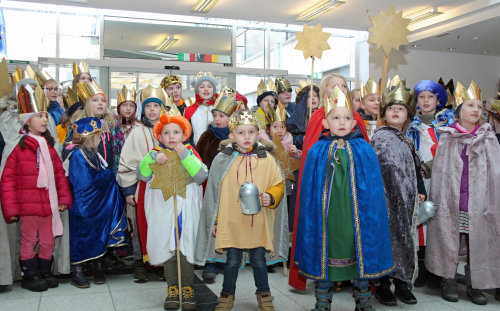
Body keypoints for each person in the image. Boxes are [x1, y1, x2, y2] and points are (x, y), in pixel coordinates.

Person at [294, 86, 394, 311]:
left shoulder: (364, 149)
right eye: (336, 118)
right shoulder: (317, 150)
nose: (342, 122)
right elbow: (310, 192)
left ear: (355, 122)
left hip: (356, 214)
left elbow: (373, 189)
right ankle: (322, 301)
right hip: (327, 217)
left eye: (347, 118)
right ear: (325, 123)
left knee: (360, 250)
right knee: (325, 253)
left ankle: (363, 300)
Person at [195, 110, 289, 311]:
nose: (246, 137)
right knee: (232, 261)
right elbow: (216, 194)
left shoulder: (267, 159)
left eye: (251, 132)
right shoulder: (222, 160)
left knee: (258, 260)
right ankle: (226, 297)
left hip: (258, 221)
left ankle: (264, 296)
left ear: (258, 133)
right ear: (231, 136)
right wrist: (217, 220)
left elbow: (278, 184)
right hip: (231, 222)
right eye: (241, 132)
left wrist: (271, 196)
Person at [289, 74, 368, 290]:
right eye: (334, 86)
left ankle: (355, 277)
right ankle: (323, 276)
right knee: (326, 234)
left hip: (351, 193)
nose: (340, 89)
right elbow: (311, 161)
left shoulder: (356, 118)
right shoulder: (318, 117)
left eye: (344, 85)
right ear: (324, 91)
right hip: (328, 193)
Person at [425, 81, 500, 305]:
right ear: (459, 112)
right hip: (453, 199)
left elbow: (496, 173)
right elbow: (440, 172)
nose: (476, 110)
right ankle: (448, 278)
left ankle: (474, 281)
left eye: (479, 106)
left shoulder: (488, 138)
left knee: (477, 240)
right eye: (470, 105)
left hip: (479, 200)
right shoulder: (448, 137)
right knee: (450, 237)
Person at [0, 86, 72, 292]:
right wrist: (10, 208)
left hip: (49, 205)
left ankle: (44, 272)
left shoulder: (49, 146)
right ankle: (29, 275)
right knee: (29, 240)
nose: (43, 120)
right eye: (38, 116)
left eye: (45, 116)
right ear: (26, 121)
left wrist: (64, 197)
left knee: (48, 240)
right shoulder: (18, 147)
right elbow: (8, 180)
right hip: (28, 206)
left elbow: (59, 175)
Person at [137, 109, 208, 310]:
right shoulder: (154, 154)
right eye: (166, 133)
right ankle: (172, 288)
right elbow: (142, 175)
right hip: (162, 209)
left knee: (185, 247)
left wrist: (183, 154)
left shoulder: (190, 153)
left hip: (186, 210)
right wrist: (151, 159)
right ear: (159, 136)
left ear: (184, 135)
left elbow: (201, 176)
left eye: (176, 132)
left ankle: (187, 288)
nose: (171, 137)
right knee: (167, 246)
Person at [370, 77, 427, 306]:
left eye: (400, 108)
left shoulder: (407, 141)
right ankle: (383, 285)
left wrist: (421, 191)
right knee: (386, 241)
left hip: (406, 203)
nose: (395, 111)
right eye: (391, 108)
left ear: (407, 115)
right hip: (384, 203)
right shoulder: (378, 139)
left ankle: (403, 283)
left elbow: (415, 168)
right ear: (383, 114)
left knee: (405, 241)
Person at [65, 117, 128, 288]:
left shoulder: (95, 154)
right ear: (90, 137)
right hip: (84, 205)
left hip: (98, 203)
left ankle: (98, 267)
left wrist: (106, 177)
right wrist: (108, 176)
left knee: (100, 232)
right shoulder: (78, 155)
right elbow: (84, 181)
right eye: (98, 136)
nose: (100, 139)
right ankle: (77, 271)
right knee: (83, 236)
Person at [117, 85, 168, 283]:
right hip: (140, 188)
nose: (152, 110)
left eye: (156, 105)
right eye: (148, 106)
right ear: (143, 109)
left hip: (164, 190)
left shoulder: (169, 131)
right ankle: (140, 262)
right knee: (139, 226)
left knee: (161, 226)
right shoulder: (137, 132)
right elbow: (126, 162)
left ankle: (162, 262)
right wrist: (129, 190)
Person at [406, 79, 453, 287]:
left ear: (438, 100)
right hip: (421, 181)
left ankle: (440, 270)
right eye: (422, 97)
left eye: (430, 97)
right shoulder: (412, 126)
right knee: (422, 221)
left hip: (442, 180)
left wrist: (432, 166)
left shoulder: (447, 125)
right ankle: (424, 268)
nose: (426, 101)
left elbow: (450, 152)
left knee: (441, 221)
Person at [63, 80, 125, 174]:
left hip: (110, 174)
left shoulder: (113, 124)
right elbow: (69, 148)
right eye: (95, 100)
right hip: (87, 174)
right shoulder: (79, 124)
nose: (100, 103)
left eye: (103, 100)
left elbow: (121, 149)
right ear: (87, 104)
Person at [184, 72, 217, 145]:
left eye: (209, 86)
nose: (206, 89)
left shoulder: (219, 109)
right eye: (202, 87)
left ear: (213, 90)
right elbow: (187, 135)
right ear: (197, 90)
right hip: (196, 151)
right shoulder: (190, 110)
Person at [287, 80, 320, 151]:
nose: (313, 98)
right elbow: (290, 138)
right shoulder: (296, 118)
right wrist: (303, 138)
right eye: (308, 96)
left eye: (315, 95)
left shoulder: (324, 116)